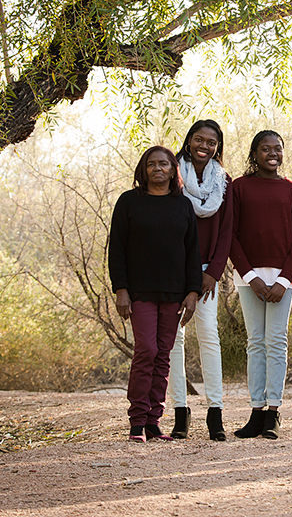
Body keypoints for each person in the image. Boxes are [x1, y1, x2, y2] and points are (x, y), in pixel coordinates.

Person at [109, 146, 201, 442]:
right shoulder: (129, 202)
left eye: (164, 164)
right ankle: (136, 420)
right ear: (143, 169)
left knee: (163, 356)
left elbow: (192, 252)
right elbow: (117, 249)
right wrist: (121, 289)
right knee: (146, 350)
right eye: (152, 164)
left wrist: (192, 292)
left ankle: (153, 421)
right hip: (139, 291)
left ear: (174, 169)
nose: (158, 168)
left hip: (175, 292)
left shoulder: (183, 205)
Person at [230, 130, 292, 440]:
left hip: (283, 280)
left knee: (276, 341)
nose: (272, 153)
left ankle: (273, 414)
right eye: (265, 149)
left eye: (277, 148)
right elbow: (231, 235)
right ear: (255, 153)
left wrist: (283, 279)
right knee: (256, 342)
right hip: (248, 277)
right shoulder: (240, 187)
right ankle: (256, 412)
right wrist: (250, 276)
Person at [165, 120, 233, 441]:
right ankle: (180, 411)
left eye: (211, 141)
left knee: (208, 334)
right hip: (176, 268)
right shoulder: (172, 177)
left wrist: (212, 273)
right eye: (198, 139)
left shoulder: (224, 182)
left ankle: (215, 412)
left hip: (207, 272)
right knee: (175, 337)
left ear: (218, 146)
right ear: (189, 141)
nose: (204, 145)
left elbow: (227, 232)